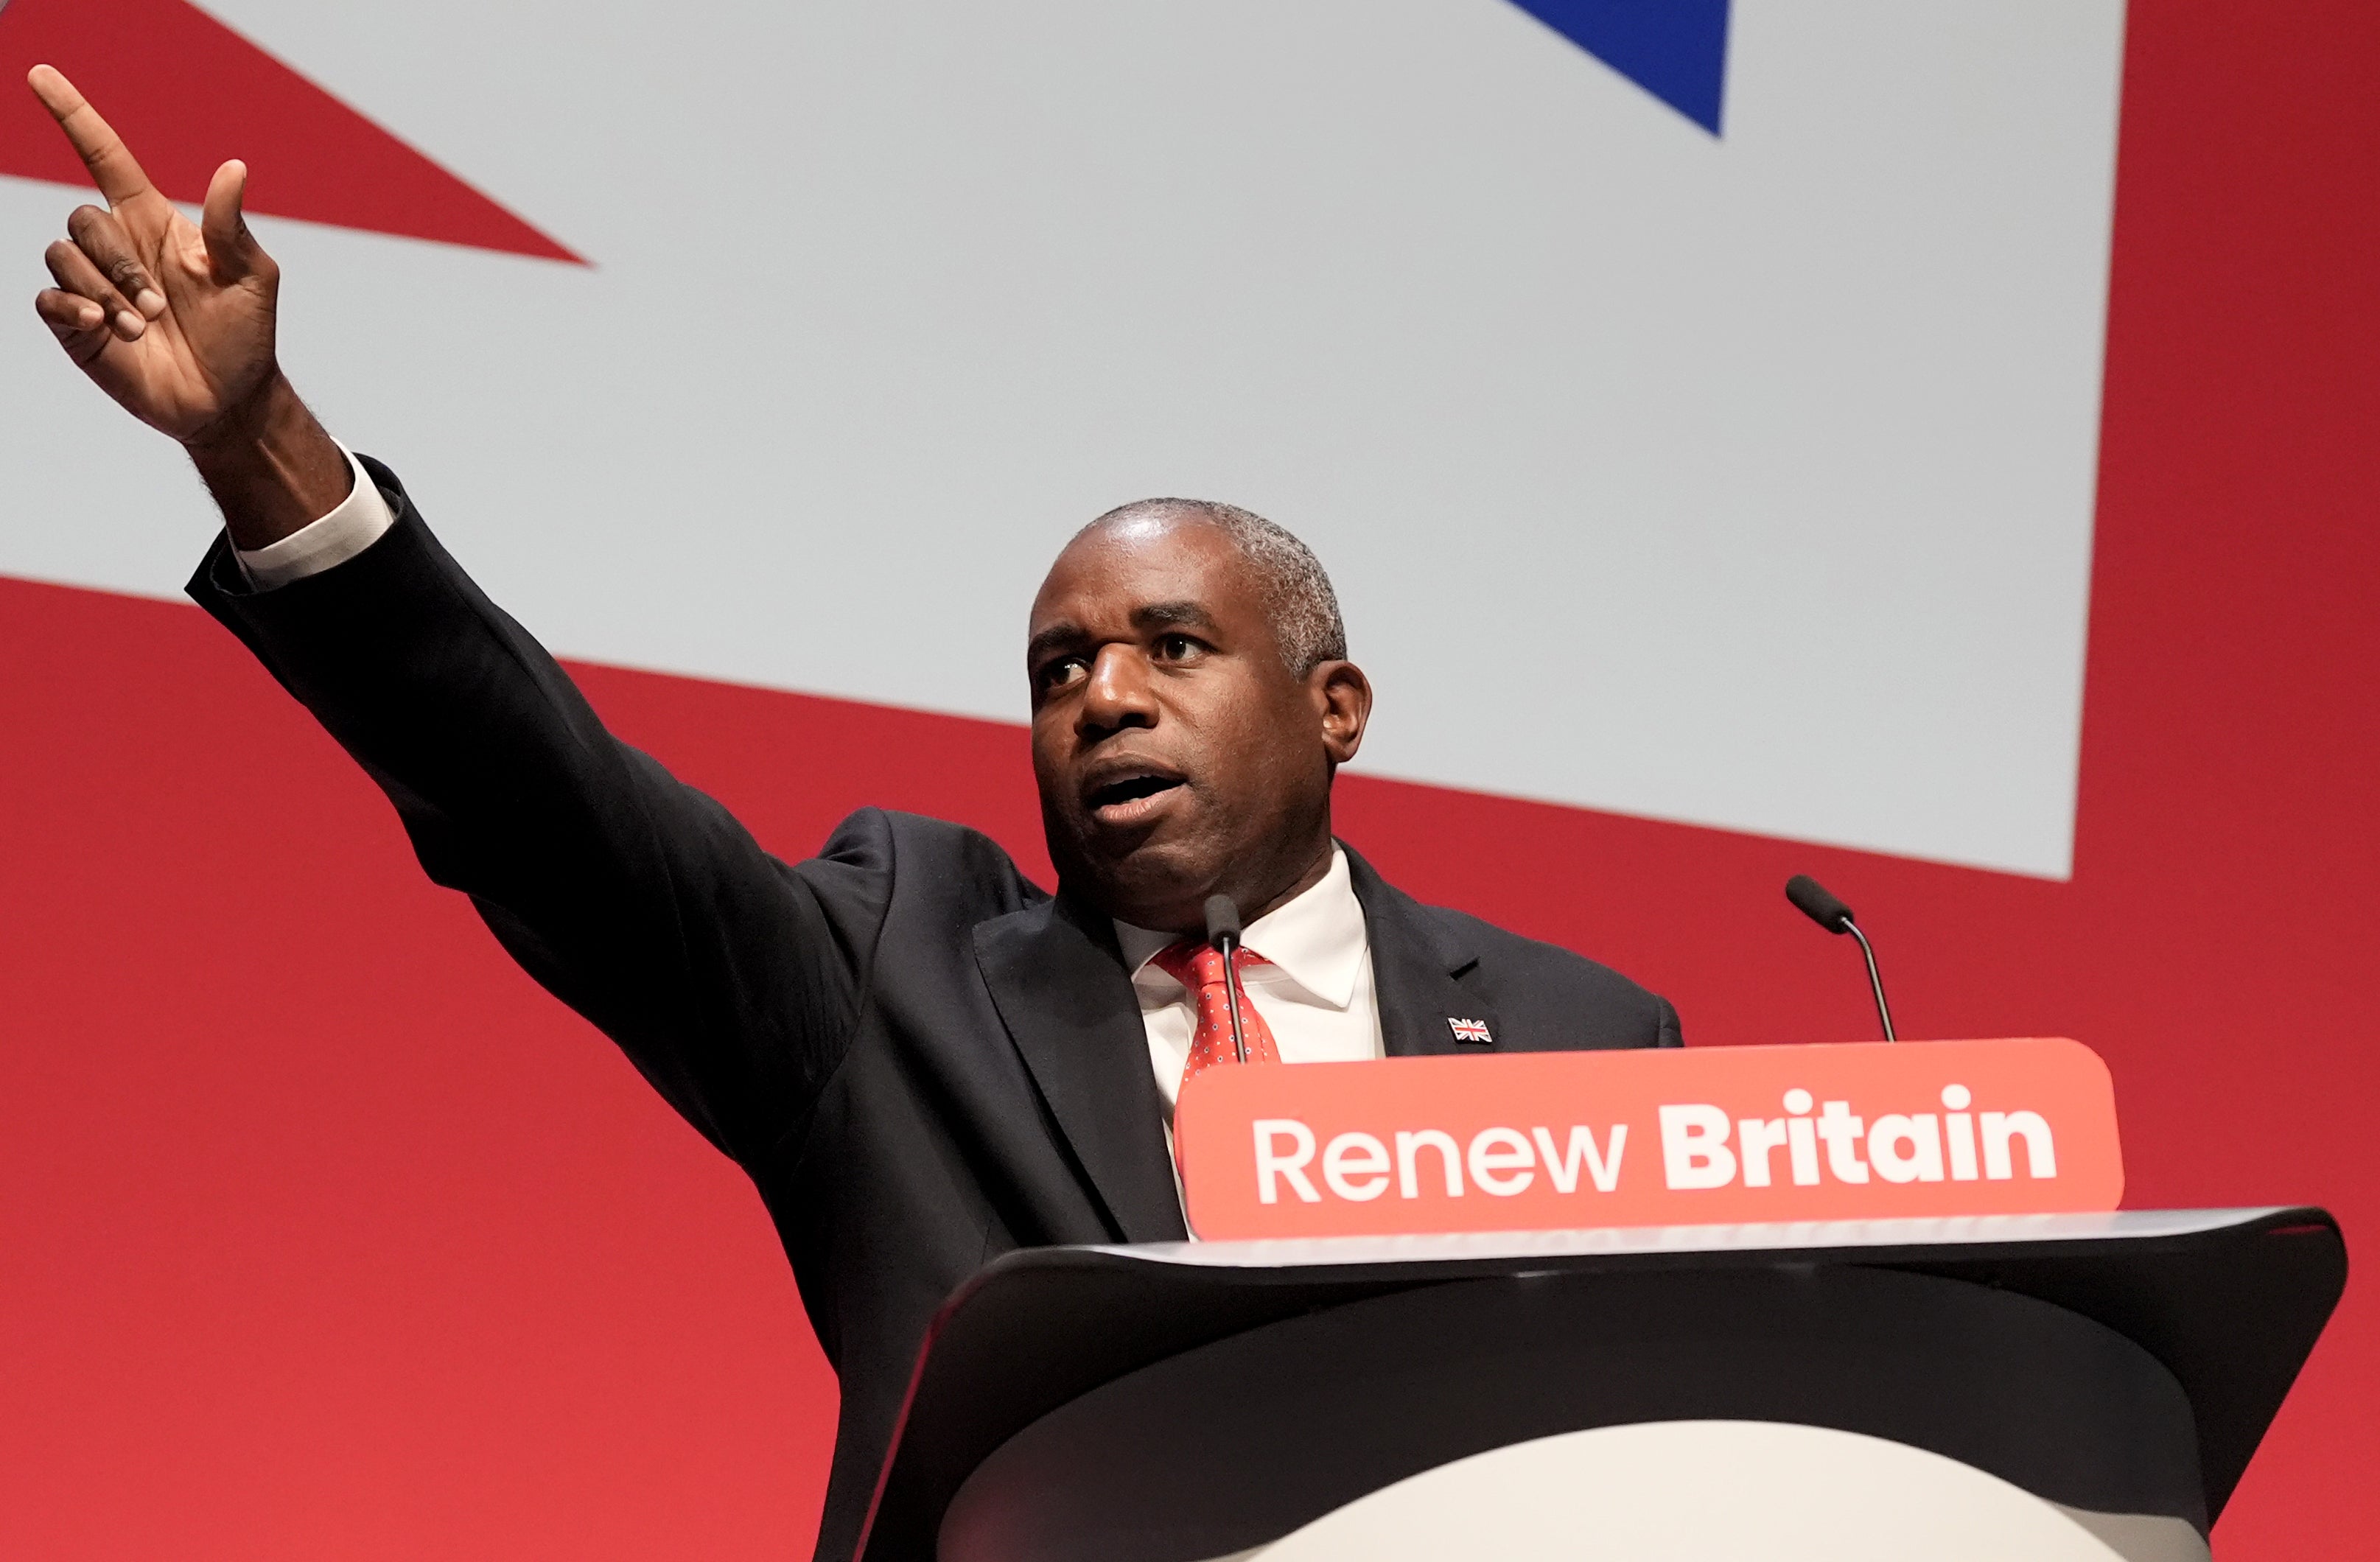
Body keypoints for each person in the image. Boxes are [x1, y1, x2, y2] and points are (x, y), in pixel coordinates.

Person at [24, 66, 1681, 1562]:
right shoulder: (907, 973)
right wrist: (262, 451)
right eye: (1058, 668)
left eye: (1172, 648)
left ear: (1336, 710)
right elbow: (556, 813)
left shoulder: (1583, 1038)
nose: (1102, 697)